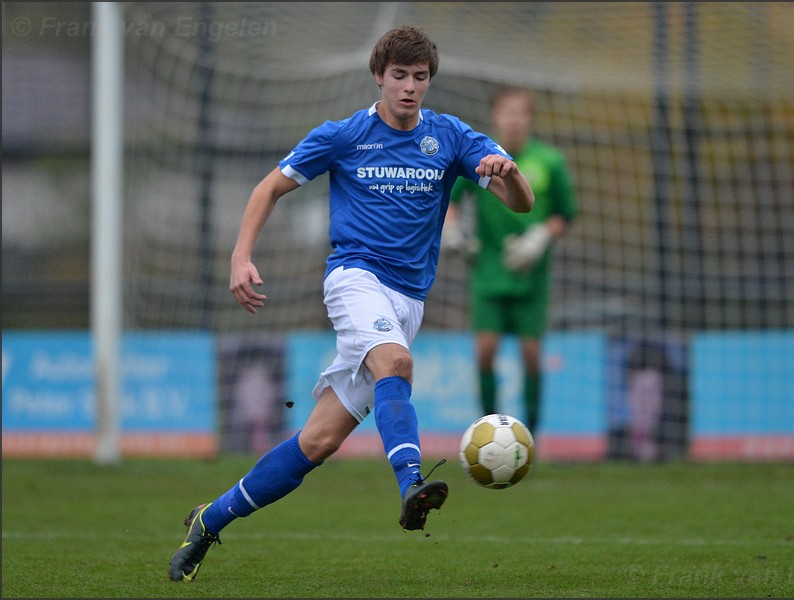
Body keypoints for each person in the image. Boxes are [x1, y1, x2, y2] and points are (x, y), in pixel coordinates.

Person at [168, 25, 534, 582]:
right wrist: (240, 256)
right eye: (399, 76)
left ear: (429, 81)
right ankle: (412, 485)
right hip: (354, 278)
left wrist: (508, 175)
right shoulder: (343, 135)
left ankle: (208, 520)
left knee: (318, 441)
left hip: (407, 301)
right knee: (398, 363)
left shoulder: (453, 137)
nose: (409, 87)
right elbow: (268, 187)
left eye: (419, 77)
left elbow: (522, 203)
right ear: (379, 77)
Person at [444, 86, 576, 436]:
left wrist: (541, 237)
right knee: (485, 351)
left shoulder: (549, 161)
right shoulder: (482, 159)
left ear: (530, 119)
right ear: (495, 117)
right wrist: (454, 230)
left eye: (521, 113)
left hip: (531, 275)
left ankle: (531, 433)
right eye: (507, 112)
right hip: (488, 271)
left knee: (531, 355)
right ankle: (490, 431)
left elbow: (566, 214)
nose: (514, 120)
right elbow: (451, 202)